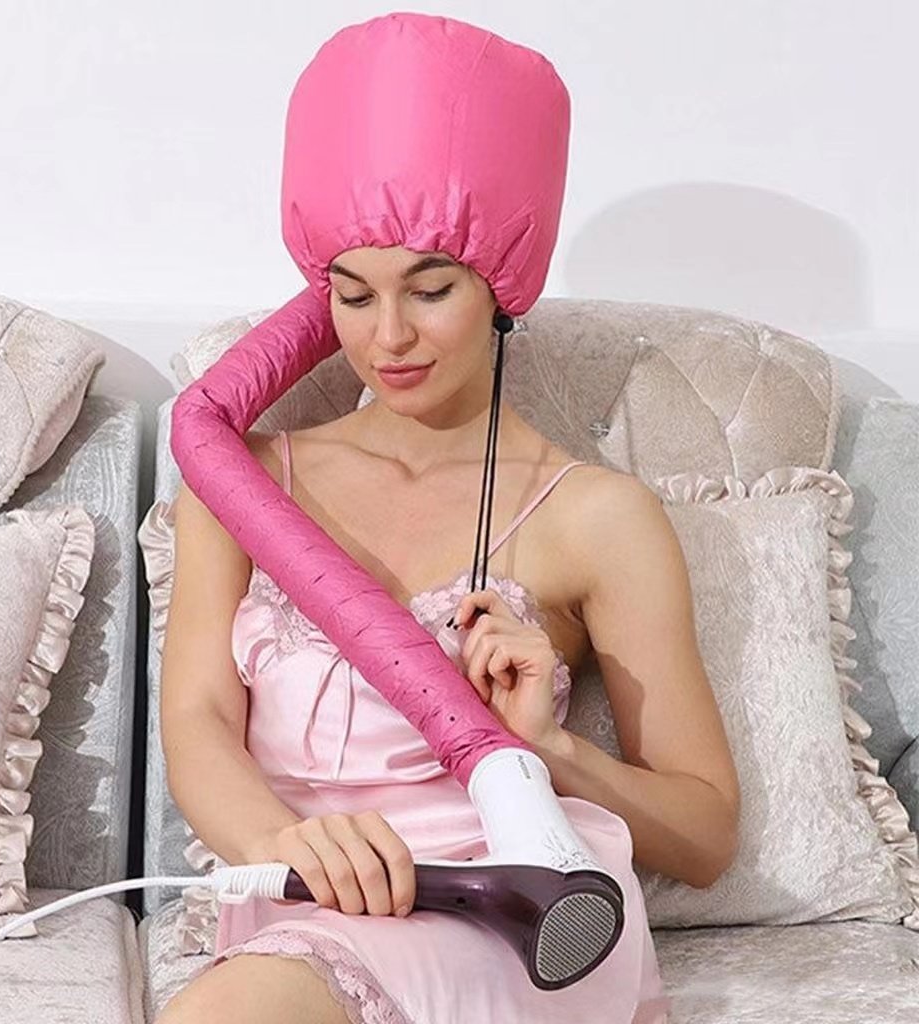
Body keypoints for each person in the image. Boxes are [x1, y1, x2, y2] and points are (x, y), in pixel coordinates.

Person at [157, 243, 739, 1024]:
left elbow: (705, 836)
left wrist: (549, 748)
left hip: (514, 914)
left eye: (429, 292)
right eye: (354, 298)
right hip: (304, 899)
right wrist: (276, 843)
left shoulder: (598, 517)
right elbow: (197, 719)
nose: (390, 337)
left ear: (500, 285)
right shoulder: (239, 480)